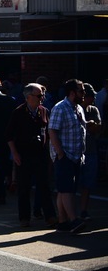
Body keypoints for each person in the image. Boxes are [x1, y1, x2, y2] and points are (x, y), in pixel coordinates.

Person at [6, 83, 56, 227]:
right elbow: (9, 135)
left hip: (40, 154)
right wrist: (14, 153)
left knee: (44, 186)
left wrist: (50, 153)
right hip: (24, 155)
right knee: (24, 188)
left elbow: (48, 133)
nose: (42, 98)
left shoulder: (44, 111)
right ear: (29, 97)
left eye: (42, 95)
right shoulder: (18, 112)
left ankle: (50, 216)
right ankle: (24, 218)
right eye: (39, 95)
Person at [48, 79, 87, 233]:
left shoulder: (78, 108)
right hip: (65, 155)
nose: (84, 94)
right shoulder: (60, 108)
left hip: (76, 155)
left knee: (65, 189)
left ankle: (62, 221)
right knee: (67, 190)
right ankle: (73, 220)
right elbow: (52, 131)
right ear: (72, 93)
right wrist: (61, 154)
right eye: (81, 91)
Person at [79, 84, 102, 219]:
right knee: (72, 184)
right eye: (89, 96)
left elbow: (97, 128)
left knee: (88, 183)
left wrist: (89, 125)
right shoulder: (75, 109)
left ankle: (83, 210)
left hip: (90, 150)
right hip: (77, 150)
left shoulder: (93, 109)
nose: (92, 99)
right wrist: (88, 124)